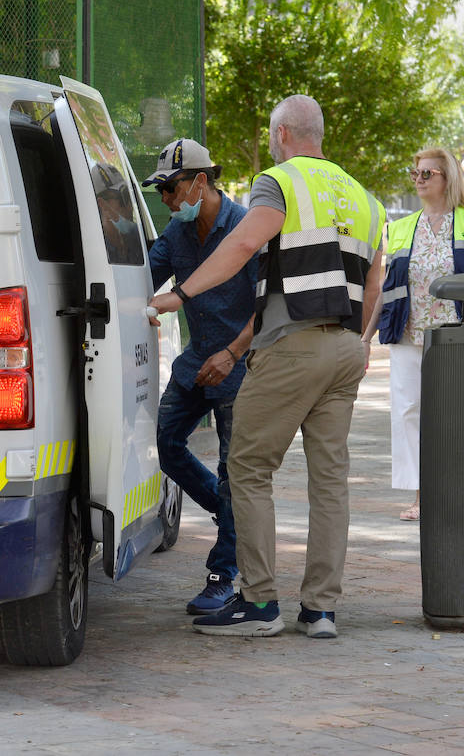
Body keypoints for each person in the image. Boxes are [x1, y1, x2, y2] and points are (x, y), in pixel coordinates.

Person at [148, 95, 385, 640]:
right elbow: (375, 283)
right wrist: (359, 341)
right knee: (330, 482)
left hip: (291, 344)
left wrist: (181, 294)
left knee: (248, 469)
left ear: (281, 134)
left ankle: (258, 603)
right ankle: (320, 611)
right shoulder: (364, 198)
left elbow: (245, 243)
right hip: (347, 347)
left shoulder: (278, 182)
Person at [143, 138, 258, 615]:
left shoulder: (248, 228)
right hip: (195, 364)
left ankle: (222, 575)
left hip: (239, 367)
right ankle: (230, 515)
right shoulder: (176, 233)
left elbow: (268, 306)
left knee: (236, 474)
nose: (167, 200)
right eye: (161, 192)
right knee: (166, 444)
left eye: (171, 188)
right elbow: (142, 279)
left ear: (201, 182)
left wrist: (232, 354)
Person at [363, 148, 464, 522]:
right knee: (407, 413)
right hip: (408, 336)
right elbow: (387, 289)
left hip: (458, 338)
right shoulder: (401, 228)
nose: (419, 179)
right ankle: (421, 497)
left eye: (428, 173)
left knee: (456, 417)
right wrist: (365, 339)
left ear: (448, 178)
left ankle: (462, 494)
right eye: (415, 173)